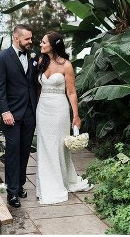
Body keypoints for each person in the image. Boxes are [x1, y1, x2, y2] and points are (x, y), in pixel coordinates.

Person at [35, 31, 92, 204]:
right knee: (44, 146)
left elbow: (72, 92)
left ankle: (59, 183)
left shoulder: (66, 65)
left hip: (59, 109)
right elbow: (37, 89)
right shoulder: (40, 61)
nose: (41, 45)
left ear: (53, 45)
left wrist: (76, 115)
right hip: (42, 109)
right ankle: (44, 184)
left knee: (59, 147)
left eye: (44, 42)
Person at [0, 24, 38, 208]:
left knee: (25, 151)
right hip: (11, 114)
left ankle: (19, 185)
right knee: (13, 152)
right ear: (16, 38)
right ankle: (11, 192)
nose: (30, 42)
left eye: (31, 38)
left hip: (29, 112)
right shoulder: (2, 58)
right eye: (27, 39)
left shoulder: (31, 56)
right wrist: (5, 111)